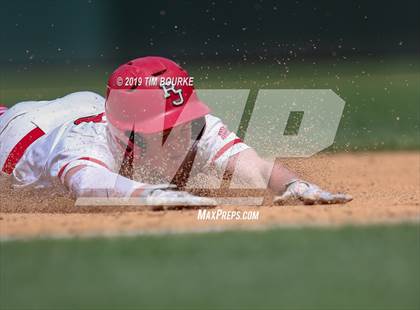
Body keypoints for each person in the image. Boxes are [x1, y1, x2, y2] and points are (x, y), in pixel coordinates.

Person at [0, 56, 352, 206]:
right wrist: (150, 195)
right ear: (130, 134)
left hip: (89, 104)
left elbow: (253, 164)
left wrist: (293, 184)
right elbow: (86, 182)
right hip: (17, 132)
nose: (184, 130)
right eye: (167, 127)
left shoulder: (191, 122)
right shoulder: (83, 143)